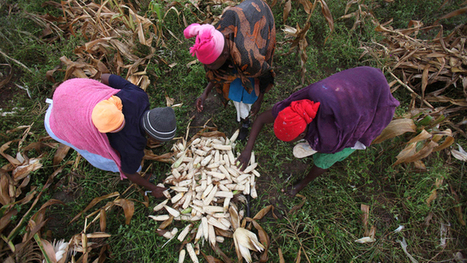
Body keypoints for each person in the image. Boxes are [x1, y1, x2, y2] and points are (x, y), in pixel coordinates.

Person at [236, 66, 400, 196]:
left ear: (301, 135)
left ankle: (303, 183)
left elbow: (332, 148)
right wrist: (247, 150)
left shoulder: (330, 137)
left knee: (325, 158)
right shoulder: (295, 107)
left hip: (374, 94)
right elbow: (260, 119)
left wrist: (316, 147)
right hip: (359, 81)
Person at [44, 74, 177, 198]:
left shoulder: (139, 96)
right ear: (152, 137)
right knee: (105, 157)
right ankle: (112, 165)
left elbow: (105, 77)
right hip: (59, 123)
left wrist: (98, 97)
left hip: (69, 95)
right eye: (160, 140)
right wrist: (153, 188)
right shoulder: (133, 145)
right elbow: (129, 172)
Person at [184, 0, 276, 139]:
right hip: (242, 22)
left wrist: (259, 101)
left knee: (249, 93)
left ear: (225, 55)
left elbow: (265, 75)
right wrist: (205, 94)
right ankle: (244, 119)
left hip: (260, 13)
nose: (209, 67)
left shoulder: (248, 59)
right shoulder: (212, 38)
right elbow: (215, 73)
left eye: (212, 65)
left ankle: (246, 121)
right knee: (235, 91)